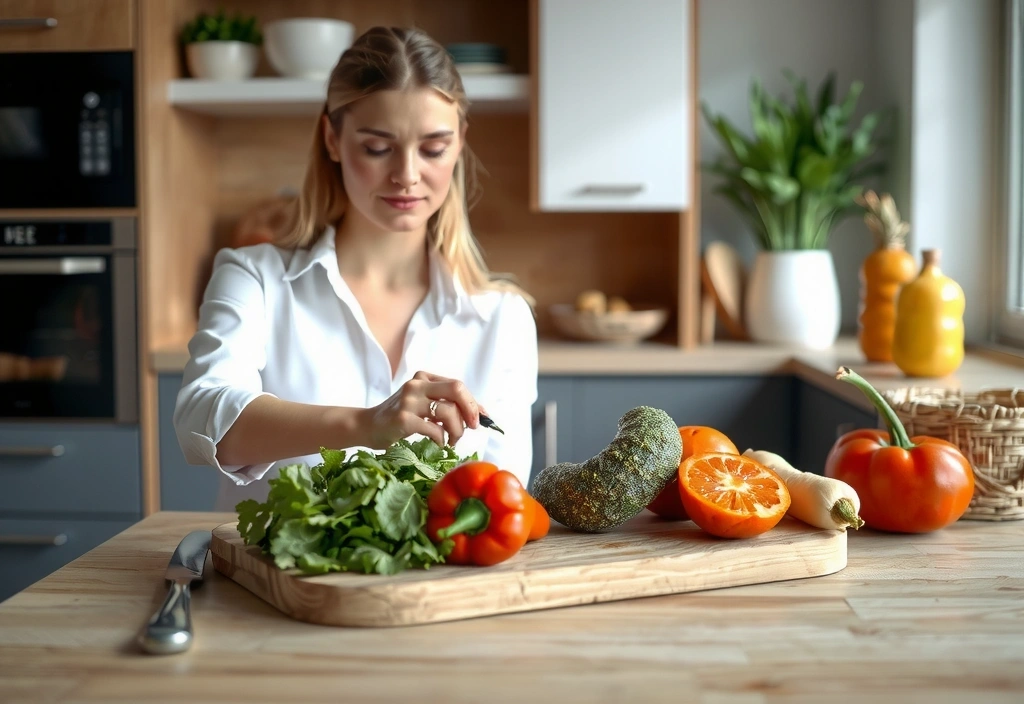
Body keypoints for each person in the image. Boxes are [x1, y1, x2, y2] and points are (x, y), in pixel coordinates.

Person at [173, 26, 539, 511]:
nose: (407, 173)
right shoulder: (254, 277)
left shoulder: (502, 318)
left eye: (433, 148)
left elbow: (501, 503)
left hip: (438, 585)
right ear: (332, 137)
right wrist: (369, 424)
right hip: (271, 586)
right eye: (377, 146)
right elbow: (204, 420)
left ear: (459, 143)